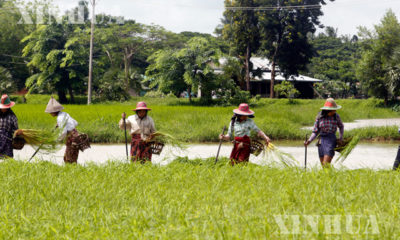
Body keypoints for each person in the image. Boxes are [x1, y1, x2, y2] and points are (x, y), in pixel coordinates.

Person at [45, 97, 89, 164]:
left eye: (50, 112)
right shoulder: (65, 114)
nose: (50, 114)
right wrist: (64, 124)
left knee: (69, 159)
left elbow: (63, 132)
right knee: (69, 157)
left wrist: (57, 140)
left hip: (72, 139)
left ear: (53, 112)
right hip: (76, 136)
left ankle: (73, 172)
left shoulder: (59, 118)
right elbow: (75, 123)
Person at [304, 98, 344, 167]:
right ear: (328, 110)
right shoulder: (319, 117)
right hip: (321, 141)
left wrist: (340, 138)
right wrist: (309, 141)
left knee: (326, 164)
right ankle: (329, 177)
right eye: (334, 109)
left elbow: (341, 126)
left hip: (331, 140)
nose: (335, 111)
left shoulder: (336, 116)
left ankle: (330, 177)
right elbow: (315, 131)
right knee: (323, 166)